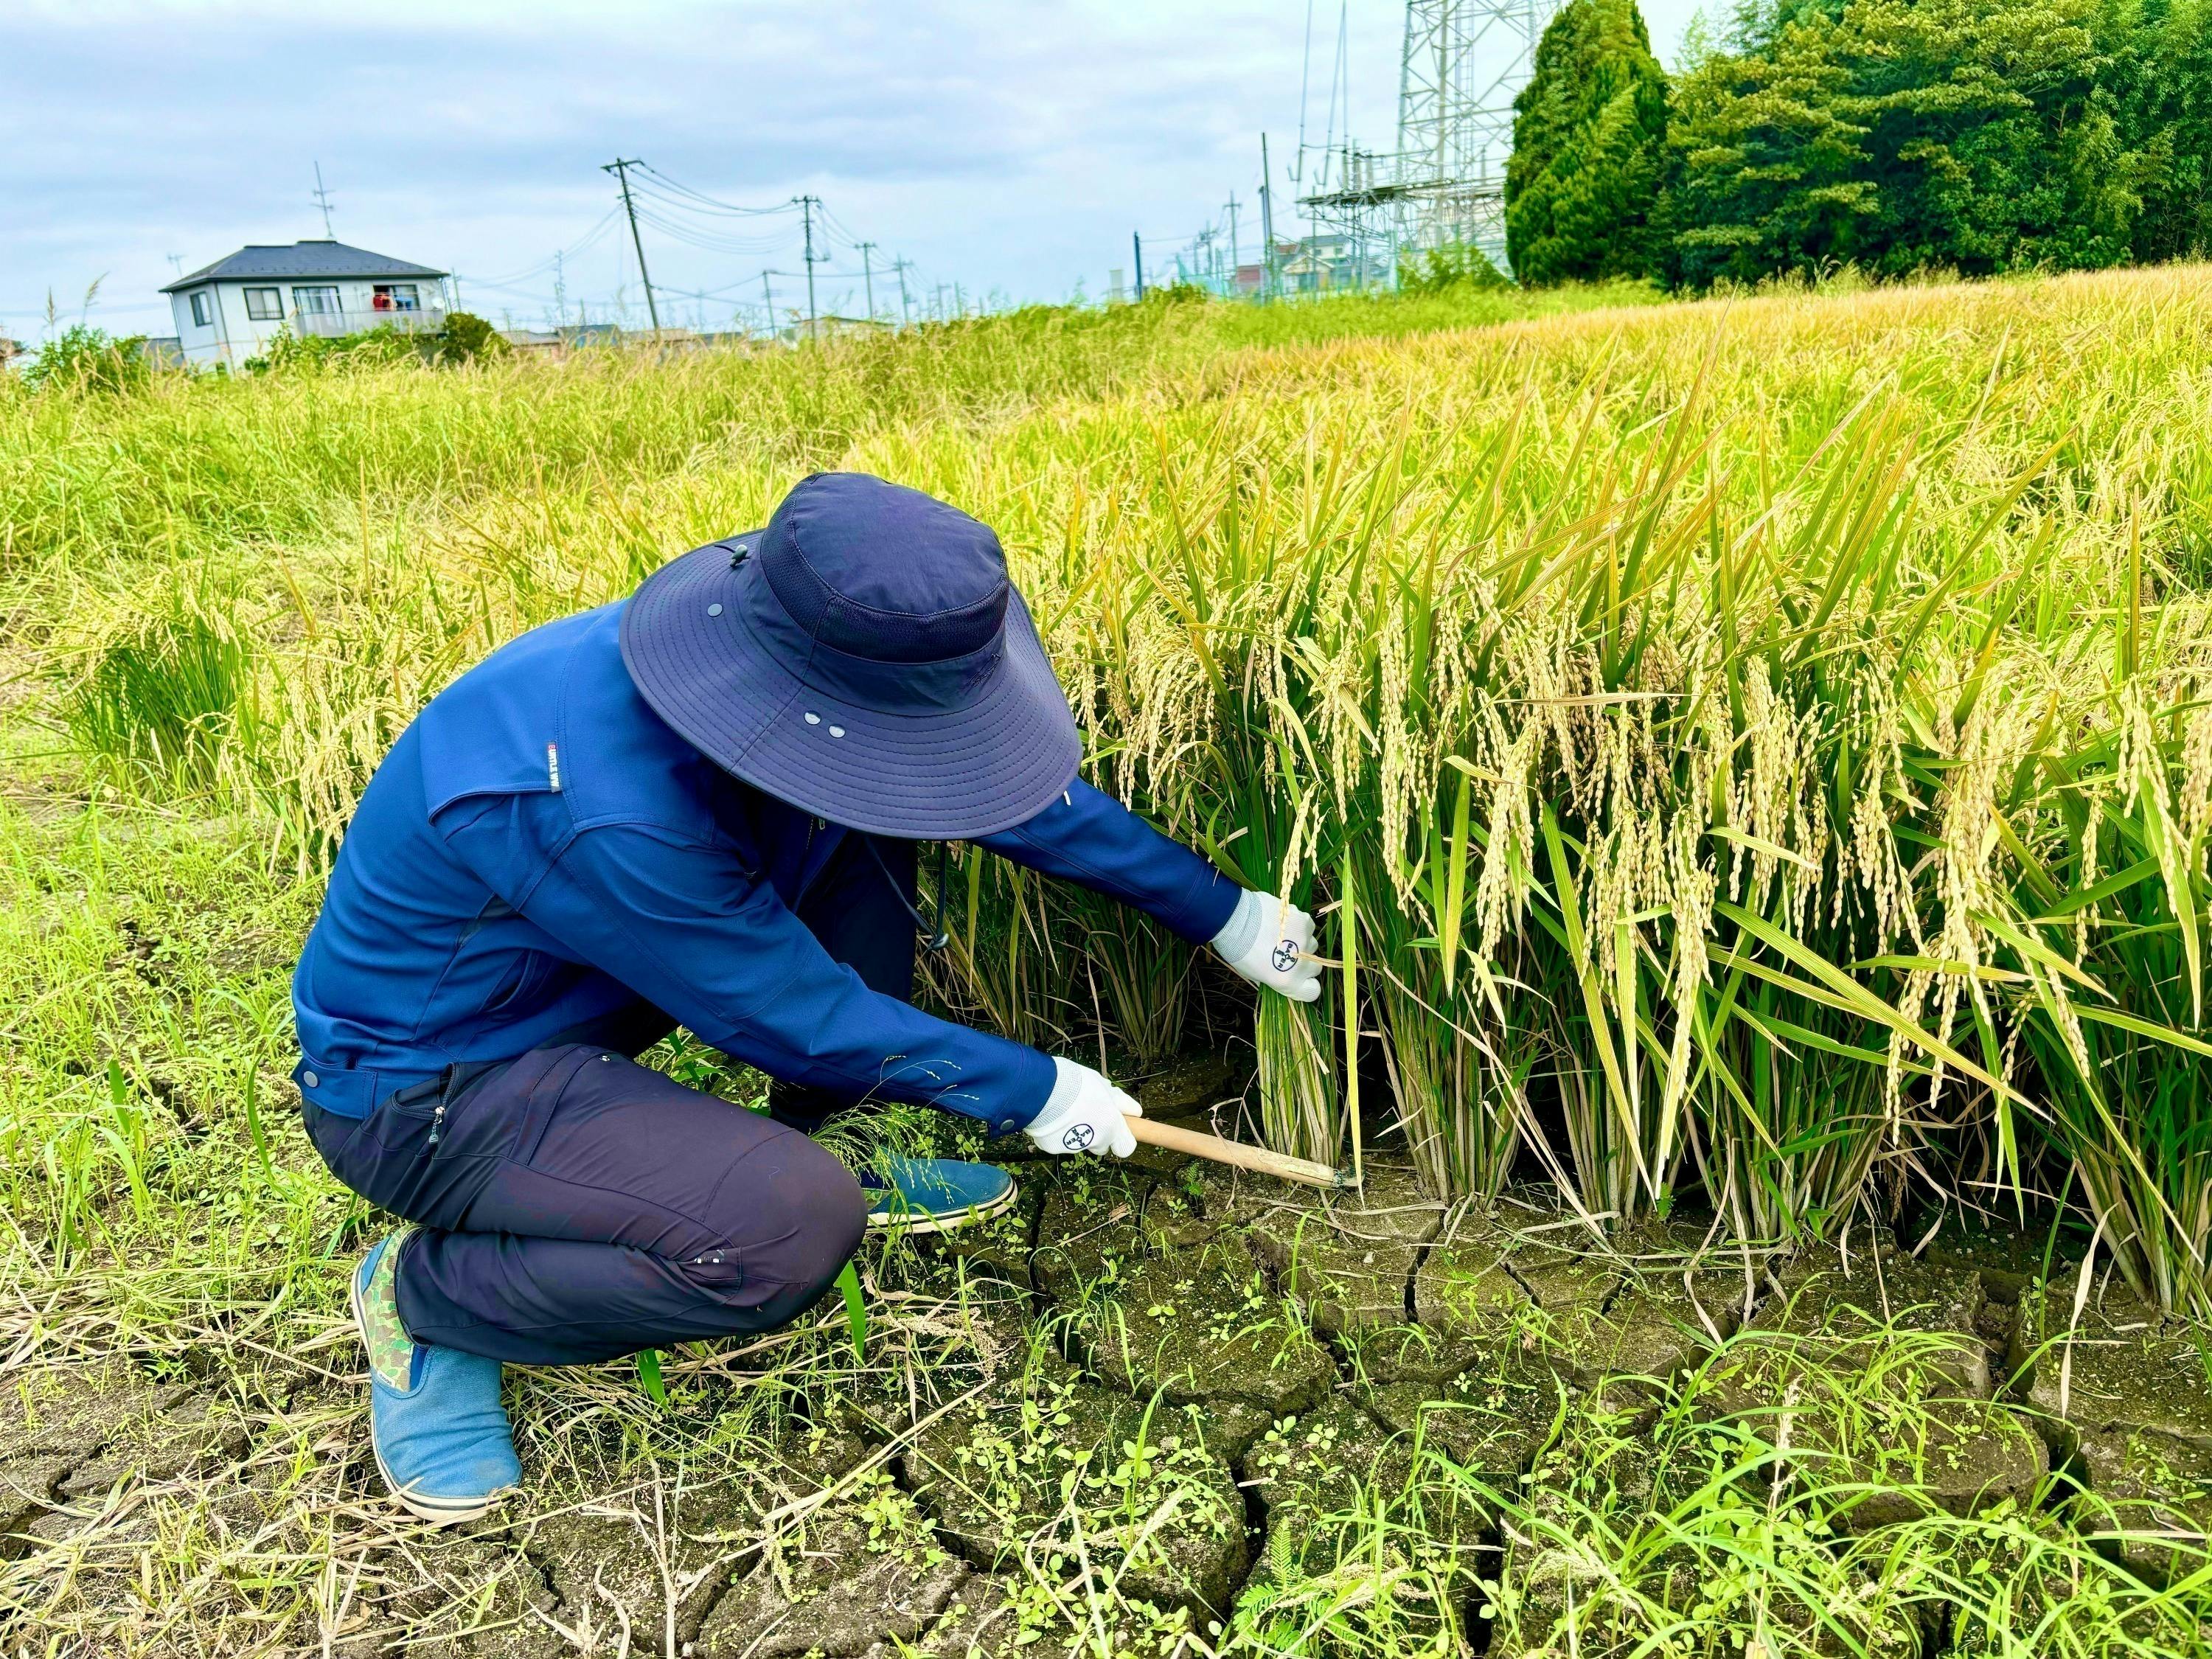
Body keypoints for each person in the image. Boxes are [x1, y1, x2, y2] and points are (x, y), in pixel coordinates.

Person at [291, 472, 1323, 1525]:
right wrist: (1035, 1088)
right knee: (787, 1227)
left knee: (873, 817)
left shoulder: (791, 630)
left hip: (579, 995)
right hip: (435, 1088)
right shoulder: (609, 806)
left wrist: (1226, 912)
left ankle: (849, 1137)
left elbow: (998, 788)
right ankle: (428, 1299)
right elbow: (786, 1010)